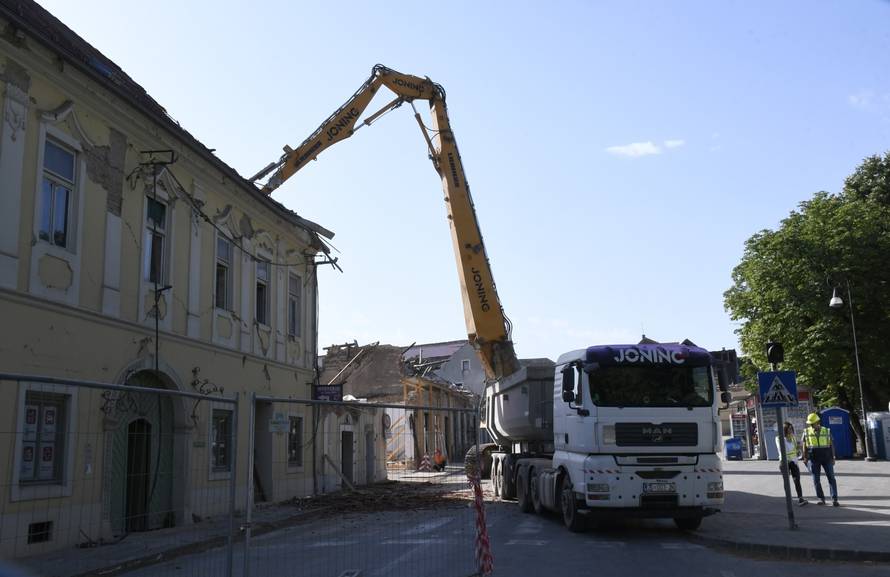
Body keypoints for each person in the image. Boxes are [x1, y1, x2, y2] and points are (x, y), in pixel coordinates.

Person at [801, 412, 839, 506]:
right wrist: (805, 457)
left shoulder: (826, 431)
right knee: (816, 479)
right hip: (813, 458)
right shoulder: (806, 432)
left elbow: (831, 445)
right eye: (810, 423)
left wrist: (833, 457)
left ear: (817, 422)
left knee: (831, 478)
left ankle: (834, 499)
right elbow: (804, 446)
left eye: (812, 423)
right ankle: (821, 499)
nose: (810, 425)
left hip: (826, 458)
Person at [775, 421, 808, 506]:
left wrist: (800, 449)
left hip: (794, 462)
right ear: (784, 430)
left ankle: (800, 498)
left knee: (797, 480)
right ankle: (788, 499)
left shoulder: (793, 437)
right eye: (789, 429)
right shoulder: (779, 438)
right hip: (784, 462)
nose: (790, 430)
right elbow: (783, 449)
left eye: (791, 428)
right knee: (786, 481)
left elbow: (796, 448)